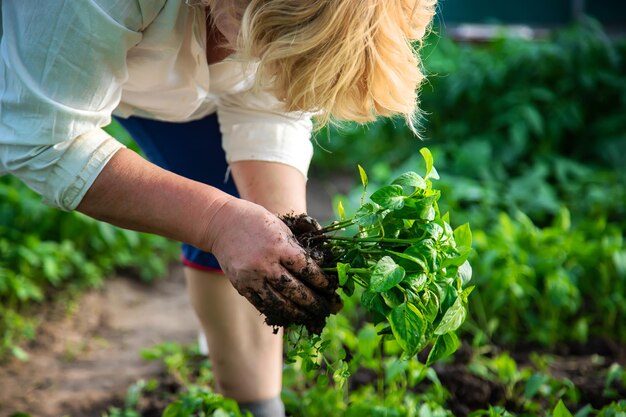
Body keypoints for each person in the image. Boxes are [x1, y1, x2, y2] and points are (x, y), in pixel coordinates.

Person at [0, 1, 436, 416]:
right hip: (48, 52)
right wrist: (214, 221)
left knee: (243, 222)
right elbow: (44, 138)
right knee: (215, 213)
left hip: (166, 69)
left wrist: (280, 233)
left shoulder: (266, 28)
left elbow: (267, 97)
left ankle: (257, 407)